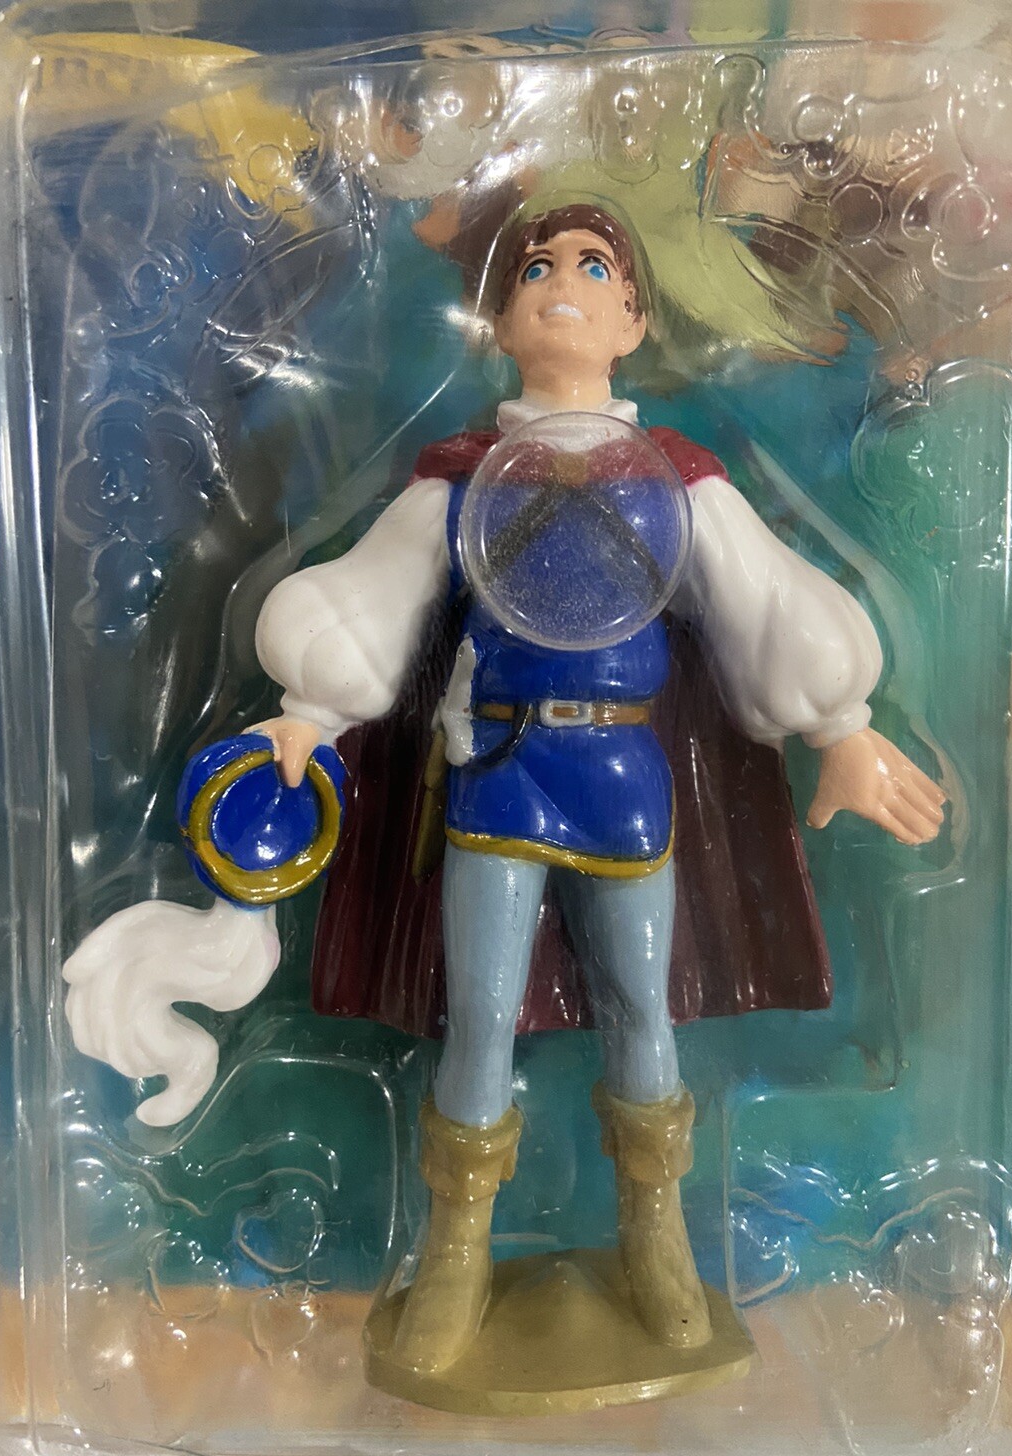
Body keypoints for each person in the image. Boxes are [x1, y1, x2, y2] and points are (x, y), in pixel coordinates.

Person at [251, 202, 948, 1377]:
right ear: (498, 315)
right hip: (499, 771)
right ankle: (456, 1251)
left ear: (634, 317)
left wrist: (843, 725)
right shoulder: (460, 478)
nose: (560, 284)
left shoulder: (678, 479)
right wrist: (308, 711)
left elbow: (761, 594)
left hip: (623, 773)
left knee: (639, 1003)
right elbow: (374, 595)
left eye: (591, 266)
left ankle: (656, 1235)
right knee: (478, 1012)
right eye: (534, 267)